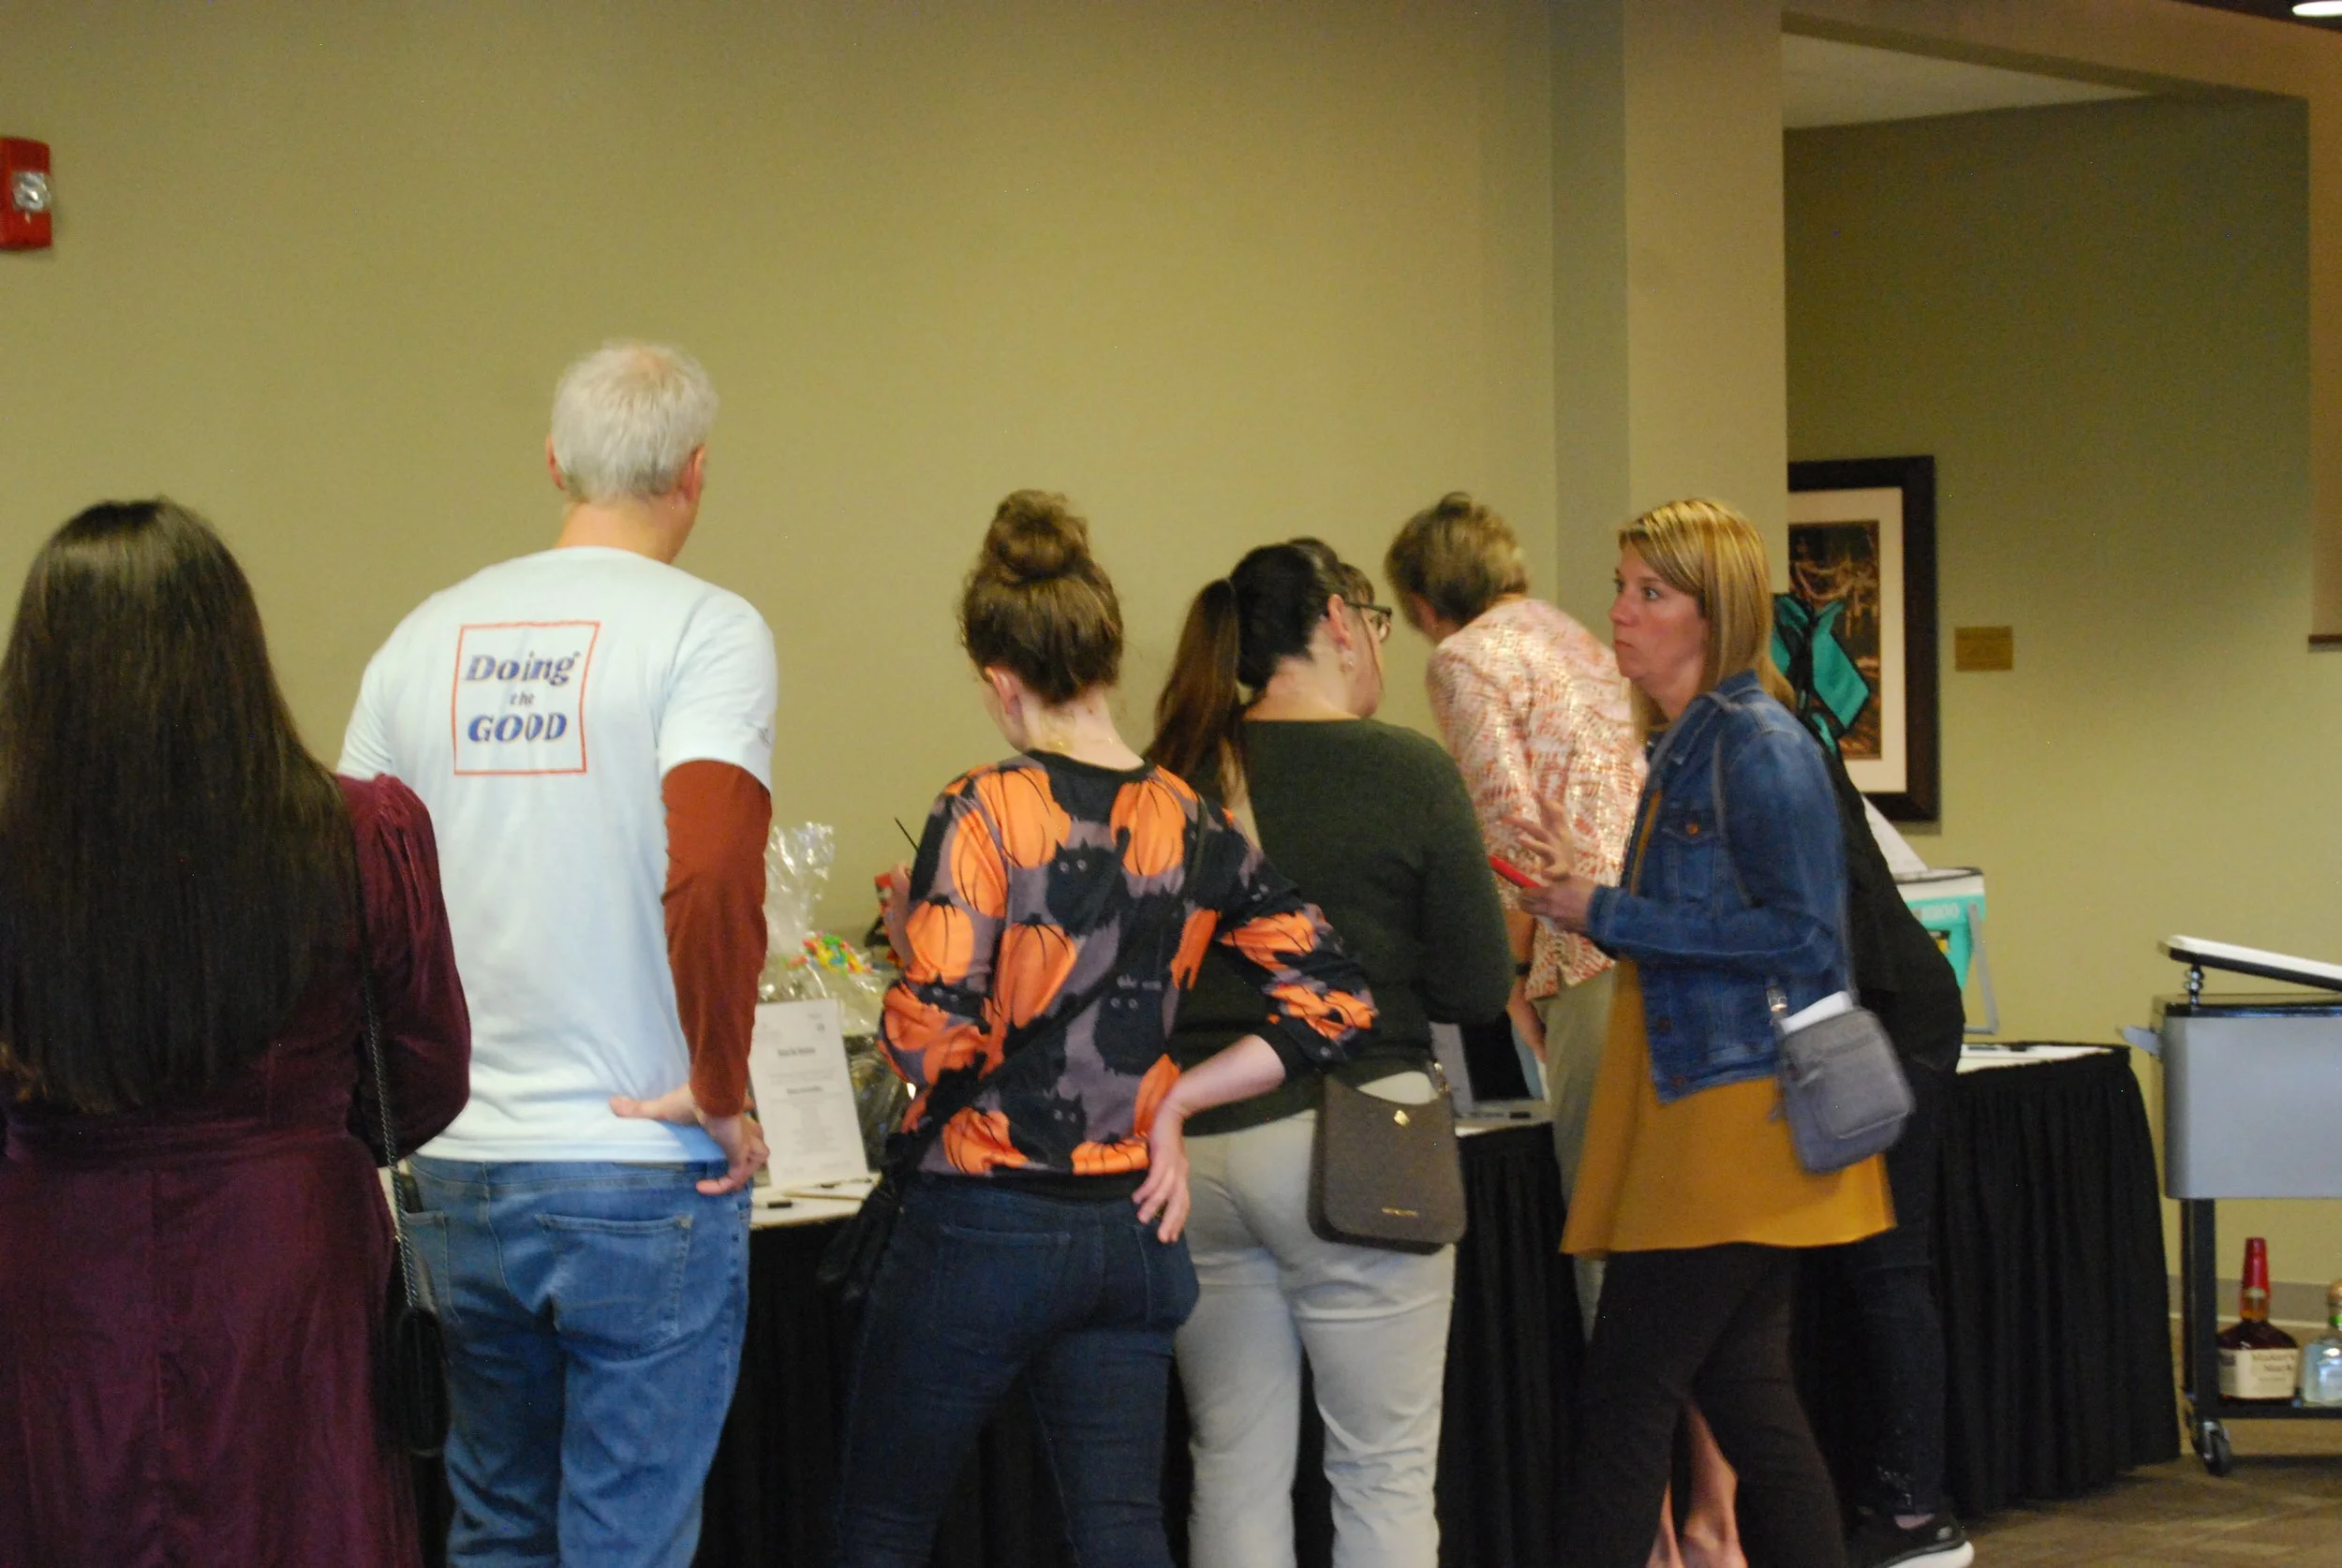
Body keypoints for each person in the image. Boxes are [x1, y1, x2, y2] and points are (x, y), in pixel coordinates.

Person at [834, 493, 1380, 1568]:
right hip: (1129, 1226)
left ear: (1002, 681)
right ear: (1106, 661)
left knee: (882, 1527)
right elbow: (1335, 994)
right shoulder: (1189, 817)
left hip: (983, 1221)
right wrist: (1176, 1097)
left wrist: (912, 944)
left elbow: (927, 1042)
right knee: (1119, 1528)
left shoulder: (984, 808)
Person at [339, 341, 777, 1568]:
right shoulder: (708, 631)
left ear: (552, 463)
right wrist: (721, 1082)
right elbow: (713, 868)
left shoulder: (421, 638)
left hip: (456, 1163)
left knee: (495, 1528)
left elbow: (347, 888)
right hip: (640, 1169)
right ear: (695, 472)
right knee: (625, 1541)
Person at [0, 500, 471, 1568]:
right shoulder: (357, 833)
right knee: (302, 1519)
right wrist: (298, 1127)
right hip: (283, 1256)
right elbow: (426, 1069)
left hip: (61, 1254)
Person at [1514, 497, 1891, 1568]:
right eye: (1621, 589)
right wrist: (1589, 899)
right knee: (1744, 1391)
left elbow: (1802, 935)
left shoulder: (1758, 745)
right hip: (1704, 1099)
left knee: (1628, 1393)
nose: (1620, 614)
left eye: (1651, 593)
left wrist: (1605, 911)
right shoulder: (1693, 744)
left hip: (1734, 1113)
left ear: (1710, 614)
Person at [1148, 539, 1513, 1568]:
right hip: (1362, 1136)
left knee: (1231, 1464)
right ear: (1342, 623)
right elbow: (1476, 987)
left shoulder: (1176, 775)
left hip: (1198, 1144)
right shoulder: (1407, 770)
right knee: (1382, 1470)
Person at [1384, 492, 1641, 1332]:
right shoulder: (1576, 637)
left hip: (1582, 948)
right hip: (1649, 927)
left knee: (1602, 1217)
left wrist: (1517, 977)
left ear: (1423, 602)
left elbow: (1507, 830)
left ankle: (1627, 1414)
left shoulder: (1464, 658)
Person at [1804, 741, 1973, 1568]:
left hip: (1888, 1018)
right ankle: (1905, 1503)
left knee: (1888, 1266)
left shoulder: (1762, 743)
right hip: (1892, 1007)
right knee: (1882, 1270)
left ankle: (1914, 1513)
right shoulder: (1784, 737)